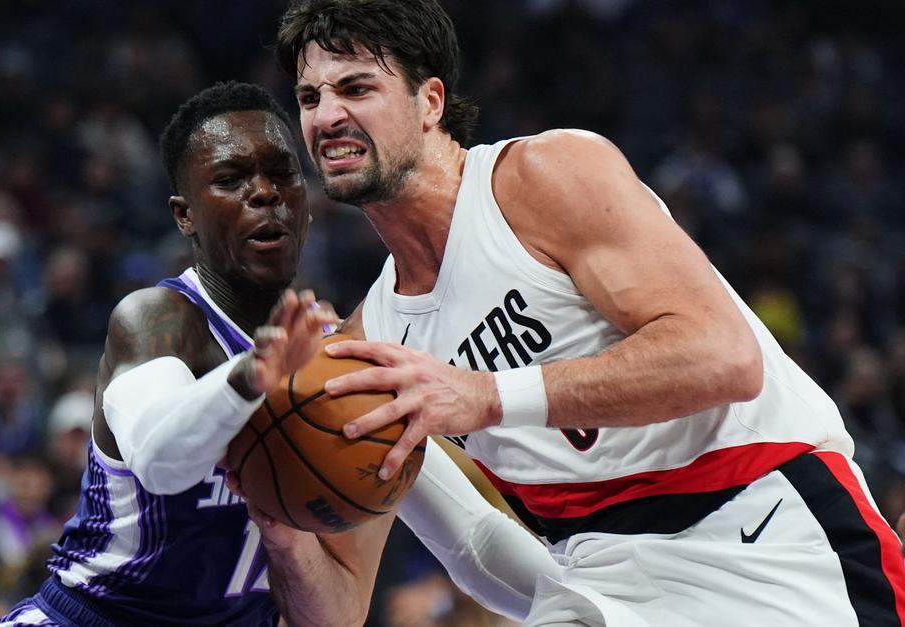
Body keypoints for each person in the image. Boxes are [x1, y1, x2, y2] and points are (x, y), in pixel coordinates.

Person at [273, 0, 905, 625]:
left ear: (430, 101)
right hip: (601, 581)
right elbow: (344, 610)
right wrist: (276, 513)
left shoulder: (538, 179)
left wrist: (488, 395)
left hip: (769, 533)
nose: (327, 116)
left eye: (356, 88)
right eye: (308, 98)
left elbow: (725, 357)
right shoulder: (373, 338)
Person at [0, 81, 380, 627]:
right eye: (231, 179)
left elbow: (339, 618)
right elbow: (159, 458)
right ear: (185, 215)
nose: (265, 193)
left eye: (283, 173)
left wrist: (286, 531)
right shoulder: (157, 320)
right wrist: (250, 375)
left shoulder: (338, 356)